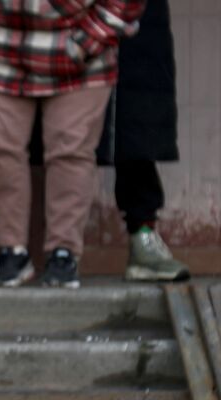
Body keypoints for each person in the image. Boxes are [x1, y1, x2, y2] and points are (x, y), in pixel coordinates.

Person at [0, 0, 145, 288]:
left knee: (72, 152)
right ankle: (12, 252)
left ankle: (64, 254)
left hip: (81, 55)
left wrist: (87, 42)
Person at [100, 0, 190, 281]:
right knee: (58, 139)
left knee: (138, 123)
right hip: (63, 21)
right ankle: (56, 253)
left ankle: (143, 237)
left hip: (138, 23)